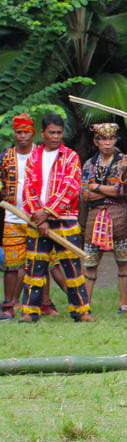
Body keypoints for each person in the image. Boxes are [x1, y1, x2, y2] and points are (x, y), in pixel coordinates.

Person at [19, 113, 92, 322]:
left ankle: (81, 311)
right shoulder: (33, 157)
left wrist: (47, 213)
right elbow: (28, 189)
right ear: (42, 133)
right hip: (36, 220)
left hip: (64, 219)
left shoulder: (70, 156)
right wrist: (39, 217)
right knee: (34, 266)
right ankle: (30, 311)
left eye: (59, 132)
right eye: (51, 132)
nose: (56, 136)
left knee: (72, 266)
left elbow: (70, 188)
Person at [80, 123, 127, 313]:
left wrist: (97, 187)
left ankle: (123, 303)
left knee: (122, 261)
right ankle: (85, 305)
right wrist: (108, 191)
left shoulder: (123, 163)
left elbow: (123, 190)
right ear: (97, 141)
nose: (108, 143)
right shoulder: (89, 164)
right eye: (104, 139)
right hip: (95, 217)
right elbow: (84, 194)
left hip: (118, 215)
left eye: (111, 139)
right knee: (90, 262)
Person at [1, 114, 36, 319]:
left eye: (26, 132)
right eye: (19, 132)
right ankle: (8, 305)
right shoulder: (5, 157)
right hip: (12, 217)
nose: (22, 136)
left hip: (36, 217)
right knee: (11, 264)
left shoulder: (40, 155)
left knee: (37, 262)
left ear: (32, 132)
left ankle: (35, 303)